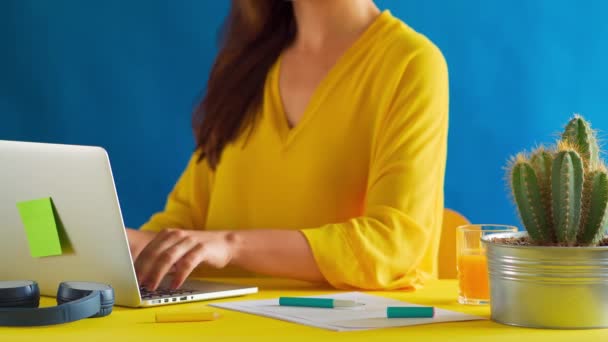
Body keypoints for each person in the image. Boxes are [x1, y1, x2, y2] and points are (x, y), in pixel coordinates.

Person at [127, 0, 448, 292]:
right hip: (219, 323)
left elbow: (392, 246)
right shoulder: (244, 67)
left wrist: (232, 246)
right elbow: (187, 221)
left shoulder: (411, 63)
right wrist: (126, 244)